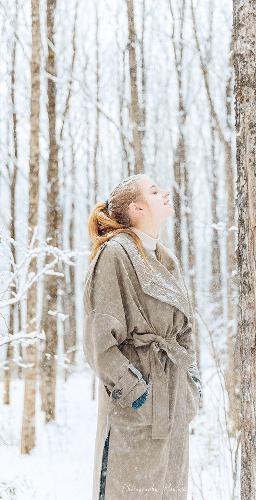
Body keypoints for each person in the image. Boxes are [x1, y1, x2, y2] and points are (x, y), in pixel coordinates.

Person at [83, 173, 202, 499]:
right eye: (153, 190)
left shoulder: (165, 258)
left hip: (173, 403)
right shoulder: (114, 255)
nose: (165, 193)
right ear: (136, 208)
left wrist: (190, 382)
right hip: (138, 406)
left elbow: (184, 329)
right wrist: (137, 392)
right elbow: (98, 342)